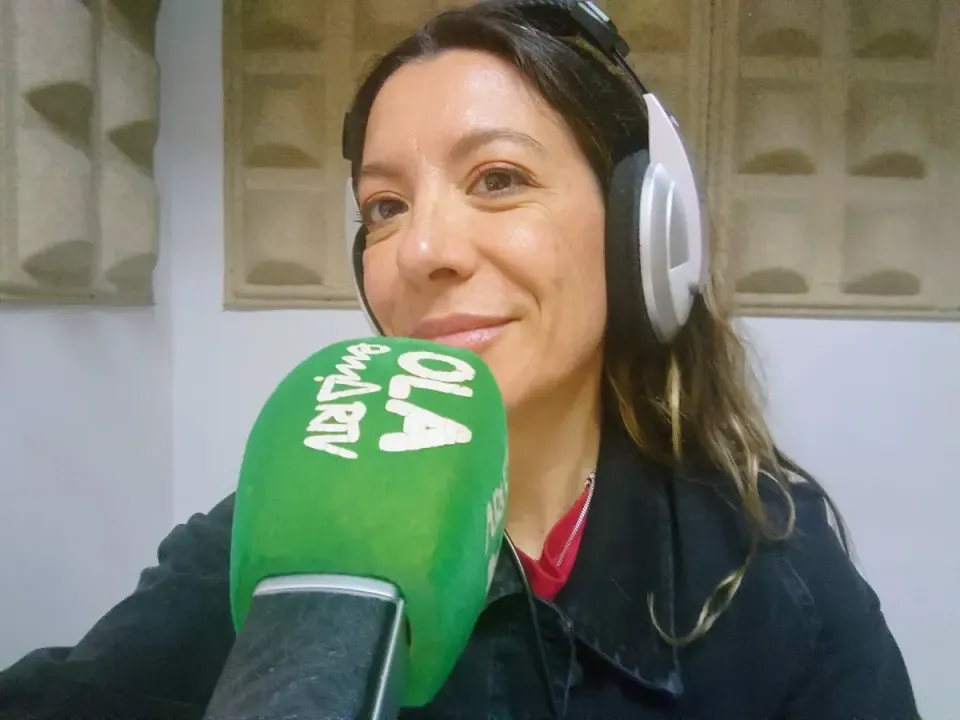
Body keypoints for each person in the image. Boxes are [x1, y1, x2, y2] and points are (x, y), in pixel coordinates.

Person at [0, 1, 918, 718]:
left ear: (645, 234)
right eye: (385, 206)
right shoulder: (296, 540)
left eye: (499, 180)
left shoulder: (770, 576)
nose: (420, 249)